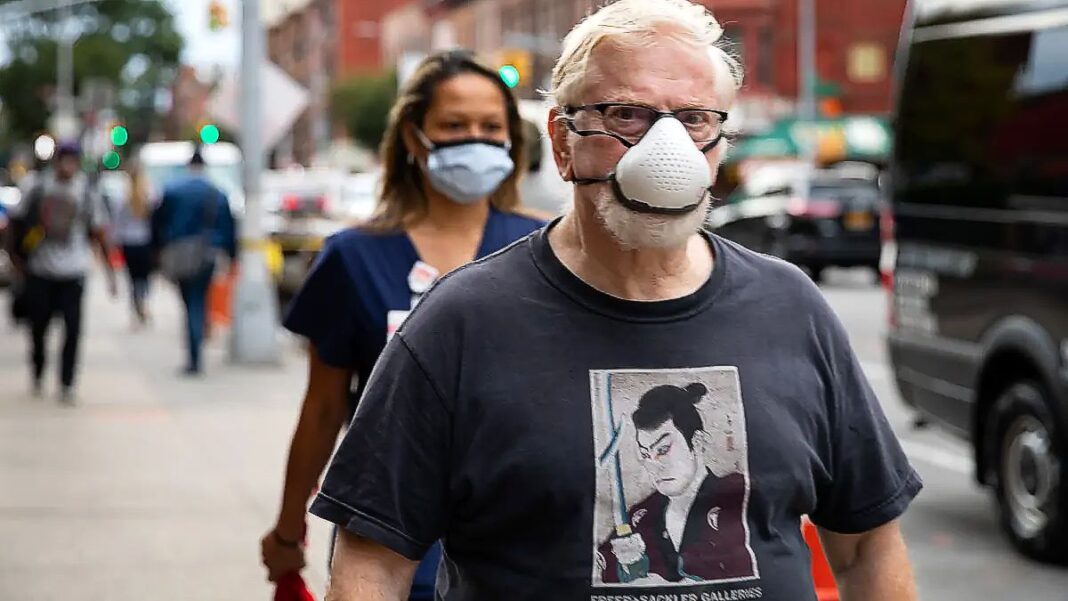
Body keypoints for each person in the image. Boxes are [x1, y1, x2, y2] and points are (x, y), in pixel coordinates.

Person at [310, 1, 923, 600]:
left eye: (694, 120)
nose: (666, 150)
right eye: (627, 115)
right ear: (562, 142)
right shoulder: (460, 324)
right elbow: (373, 560)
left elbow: (867, 546)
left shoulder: (792, 308)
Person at [258, 50, 546, 600]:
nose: (476, 140)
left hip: (524, 543)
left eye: (492, 127)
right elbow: (323, 408)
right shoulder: (353, 257)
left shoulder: (550, 249)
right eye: (455, 126)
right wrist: (289, 528)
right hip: (393, 546)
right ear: (415, 138)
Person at [597, 383, 752, 584]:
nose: (654, 466)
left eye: (662, 450)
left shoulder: (737, 496)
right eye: (645, 454)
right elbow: (600, 574)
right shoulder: (640, 517)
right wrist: (623, 570)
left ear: (697, 441)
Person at [6, 142, 116, 404]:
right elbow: (15, 223)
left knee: (73, 330)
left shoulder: (87, 191)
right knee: (38, 328)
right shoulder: (37, 186)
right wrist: (15, 260)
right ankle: (38, 371)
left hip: (73, 272)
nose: (67, 165)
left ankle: (66, 382)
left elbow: (98, 233)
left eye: (72, 160)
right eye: (63, 159)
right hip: (40, 270)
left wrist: (111, 273)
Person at [151, 147, 237, 375]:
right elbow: (229, 227)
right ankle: (196, 352)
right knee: (199, 301)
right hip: (207, 254)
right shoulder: (217, 193)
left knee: (189, 303)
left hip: (179, 253)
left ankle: (194, 356)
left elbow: (157, 222)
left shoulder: (173, 190)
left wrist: (158, 250)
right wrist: (231, 255)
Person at [108, 157, 155, 327]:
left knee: (132, 278)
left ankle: (136, 305)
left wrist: (114, 240)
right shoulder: (148, 194)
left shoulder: (122, 195)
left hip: (128, 242)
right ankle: (142, 302)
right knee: (144, 277)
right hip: (144, 241)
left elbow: (117, 222)